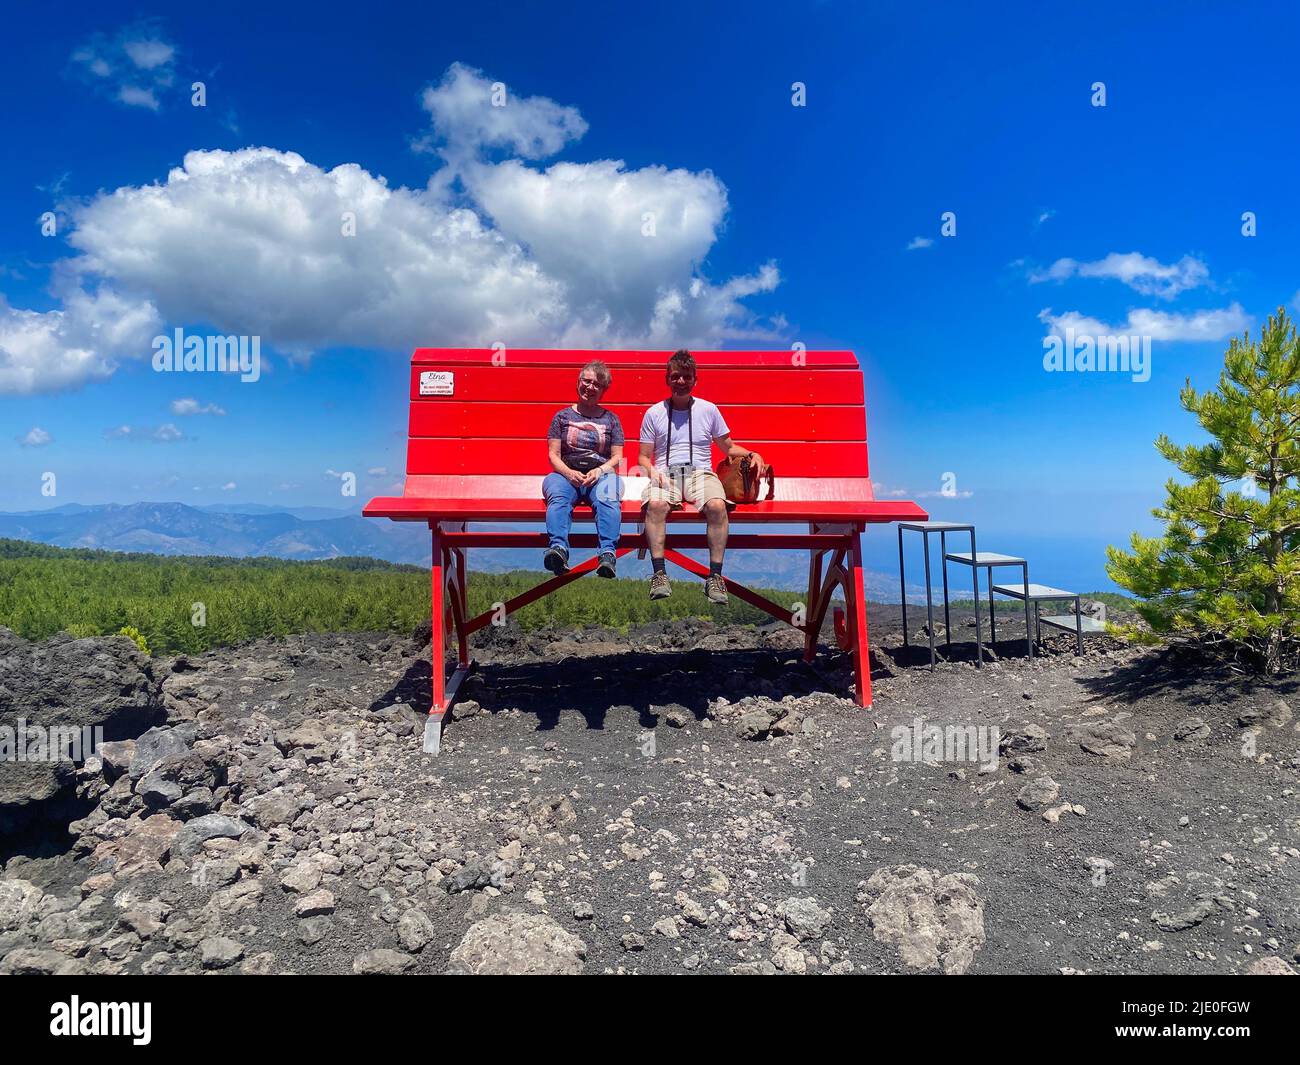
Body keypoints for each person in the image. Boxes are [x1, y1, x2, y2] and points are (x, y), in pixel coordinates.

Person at [637, 349, 765, 603]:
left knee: (717, 506)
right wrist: (652, 473)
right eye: (675, 377)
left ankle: (715, 578)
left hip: (700, 473)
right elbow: (643, 457)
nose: (681, 382)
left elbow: (728, 447)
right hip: (666, 473)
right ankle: (659, 575)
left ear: (695, 380)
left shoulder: (709, 410)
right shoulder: (654, 413)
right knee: (655, 504)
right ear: (667, 379)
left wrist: (752, 453)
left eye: (686, 377)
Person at [542, 360, 624, 577]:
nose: (590, 387)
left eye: (597, 384)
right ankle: (558, 549)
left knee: (608, 497)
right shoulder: (561, 417)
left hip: (601, 474)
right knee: (558, 496)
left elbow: (617, 457)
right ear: (578, 383)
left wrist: (600, 470)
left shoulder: (611, 420)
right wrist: (568, 473)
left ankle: (607, 554)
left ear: (604, 390)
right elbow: (553, 454)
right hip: (566, 473)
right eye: (586, 381)